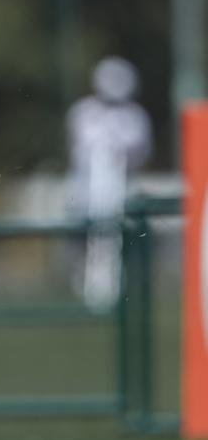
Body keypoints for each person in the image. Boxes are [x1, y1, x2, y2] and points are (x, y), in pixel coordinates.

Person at [65, 56, 152, 311]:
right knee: (83, 242)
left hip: (119, 192)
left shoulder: (135, 117)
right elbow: (78, 149)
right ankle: (87, 287)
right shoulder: (83, 112)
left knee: (118, 242)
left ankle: (115, 288)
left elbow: (140, 153)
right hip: (85, 192)